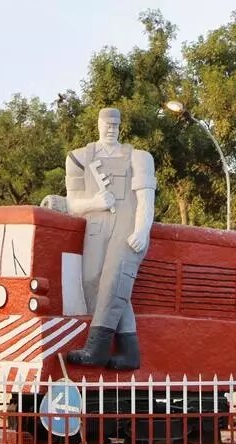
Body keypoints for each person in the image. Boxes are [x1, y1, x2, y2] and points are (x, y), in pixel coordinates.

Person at [62, 107, 156, 370]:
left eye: (116, 124)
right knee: (93, 281)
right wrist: (94, 201)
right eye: (107, 124)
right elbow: (72, 204)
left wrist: (141, 230)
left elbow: (146, 201)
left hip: (127, 228)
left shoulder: (139, 158)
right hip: (95, 227)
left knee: (115, 281)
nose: (111, 129)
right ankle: (130, 351)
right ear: (98, 125)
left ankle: (98, 348)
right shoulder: (78, 158)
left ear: (120, 126)